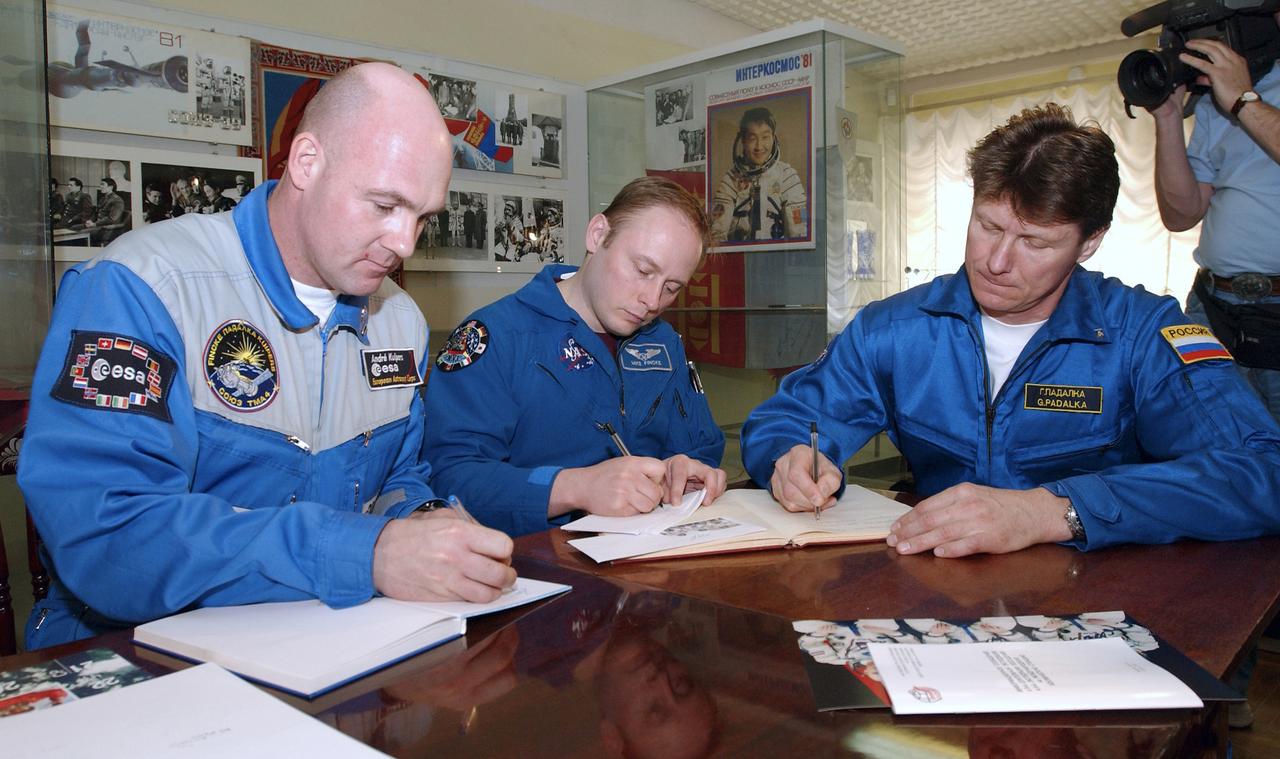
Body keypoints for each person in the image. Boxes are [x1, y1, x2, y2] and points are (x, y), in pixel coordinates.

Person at [18, 61, 515, 650]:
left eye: (422, 218)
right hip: (133, 651)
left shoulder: (398, 320)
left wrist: (422, 520)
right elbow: (107, 538)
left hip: (325, 642)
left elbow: (396, 475)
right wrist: (365, 552)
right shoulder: (144, 287)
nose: (404, 243)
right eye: (385, 205)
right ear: (307, 162)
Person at [741, 103, 1280, 559]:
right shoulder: (896, 329)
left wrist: (1057, 510)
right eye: (988, 226)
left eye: (1035, 243)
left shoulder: (1143, 334)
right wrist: (788, 457)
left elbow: (1261, 473)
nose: (996, 262)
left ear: (1089, 242)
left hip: (1091, 602)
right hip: (936, 593)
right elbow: (783, 420)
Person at [424, 176, 727, 536]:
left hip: (649, 556)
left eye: (672, 288)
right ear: (598, 235)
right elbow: (450, 477)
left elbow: (701, 447)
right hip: (533, 564)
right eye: (643, 270)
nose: (653, 301)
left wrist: (686, 470)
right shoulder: (498, 337)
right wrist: (575, 488)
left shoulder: (663, 341)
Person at [1150, 16, 1280, 422]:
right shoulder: (1218, 97)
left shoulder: (1238, 93)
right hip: (1212, 306)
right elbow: (1181, 214)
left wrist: (1244, 100)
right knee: (1216, 449)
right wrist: (1168, 118)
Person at [710, 106, 807, 243]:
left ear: (774, 138)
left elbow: (799, 231)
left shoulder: (787, 177)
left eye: (765, 137)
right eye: (752, 138)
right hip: (741, 258)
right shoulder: (731, 180)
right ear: (743, 141)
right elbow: (716, 234)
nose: (759, 146)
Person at [84, 177, 127, 246]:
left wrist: (95, 224)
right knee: (75, 228)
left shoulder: (117, 200)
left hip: (107, 229)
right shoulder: (103, 199)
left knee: (81, 234)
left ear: (111, 187)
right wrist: (90, 221)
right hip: (98, 226)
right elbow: (96, 213)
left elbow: (112, 219)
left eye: (103, 184)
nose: (100, 186)